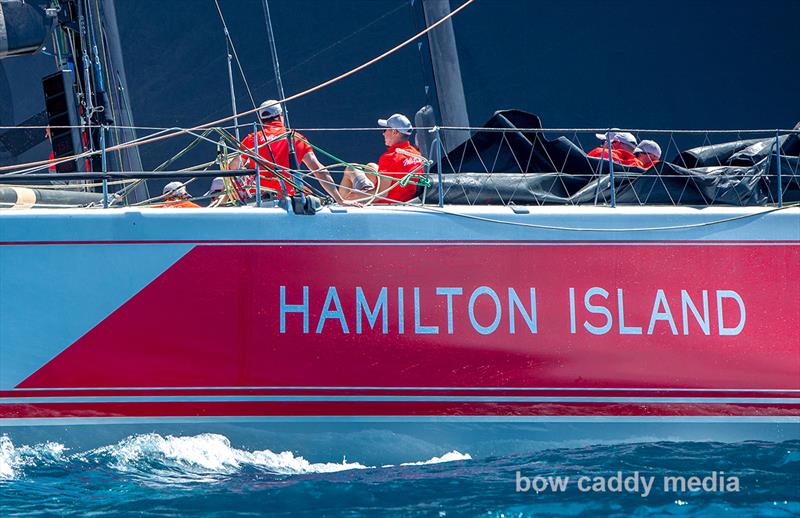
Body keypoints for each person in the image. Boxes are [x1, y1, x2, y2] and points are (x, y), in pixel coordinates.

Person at [236, 100, 357, 206]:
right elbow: (319, 170)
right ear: (281, 116)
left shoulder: (252, 139)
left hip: (257, 198)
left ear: (261, 119)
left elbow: (232, 166)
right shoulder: (295, 137)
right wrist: (340, 200)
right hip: (290, 198)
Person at [339, 113, 425, 204]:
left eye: (385, 130)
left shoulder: (390, 157)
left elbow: (382, 194)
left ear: (394, 132)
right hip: (406, 199)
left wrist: (355, 196)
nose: (383, 134)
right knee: (371, 166)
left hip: (388, 203)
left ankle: (342, 203)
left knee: (351, 168)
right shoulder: (417, 154)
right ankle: (362, 190)